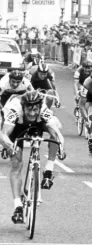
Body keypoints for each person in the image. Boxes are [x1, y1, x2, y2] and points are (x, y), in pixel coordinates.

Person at [0, 90, 65, 224]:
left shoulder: (43, 110)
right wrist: (8, 146)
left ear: (40, 107)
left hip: (37, 124)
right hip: (17, 127)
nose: (32, 113)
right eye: (28, 109)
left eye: (35, 109)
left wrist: (61, 146)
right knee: (17, 165)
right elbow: (4, 134)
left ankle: (48, 170)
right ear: (23, 106)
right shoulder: (14, 110)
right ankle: (17, 207)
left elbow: (57, 132)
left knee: (56, 128)